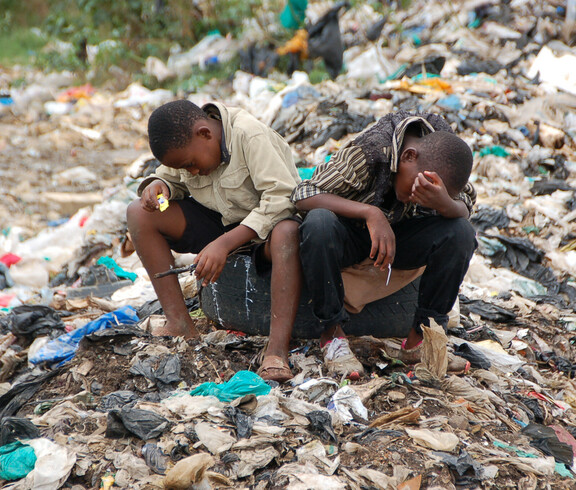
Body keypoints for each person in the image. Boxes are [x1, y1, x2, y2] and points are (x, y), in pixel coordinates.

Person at [126, 99, 302, 382]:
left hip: (265, 233)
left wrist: (224, 245)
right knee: (139, 213)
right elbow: (172, 177)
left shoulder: (248, 135)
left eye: (192, 165)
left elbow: (282, 199)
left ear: (205, 134)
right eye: (187, 168)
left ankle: (276, 351)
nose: (192, 172)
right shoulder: (191, 147)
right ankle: (180, 323)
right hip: (220, 224)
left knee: (287, 232)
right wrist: (159, 187)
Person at [291, 110, 477, 377]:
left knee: (461, 232)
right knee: (319, 222)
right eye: (418, 185)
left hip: (401, 238)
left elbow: (467, 205)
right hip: (351, 233)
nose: (416, 196)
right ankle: (332, 335)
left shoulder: (445, 152)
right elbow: (303, 194)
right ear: (408, 157)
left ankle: (422, 340)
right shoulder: (369, 151)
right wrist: (370, 213)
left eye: (426, 191)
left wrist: (444, 203)